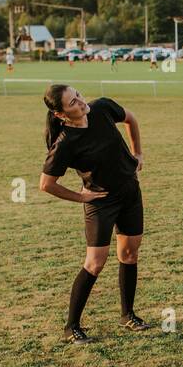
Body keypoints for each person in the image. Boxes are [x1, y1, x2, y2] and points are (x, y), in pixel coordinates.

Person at [39, 85, 149, 342]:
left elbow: (131, 118)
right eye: (72, 103)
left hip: (130, 193)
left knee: (130, 253)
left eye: (77, 95)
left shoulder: (102, 108)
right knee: (95, 263)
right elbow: (46, 184)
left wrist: (138, 153)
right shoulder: (65, 143)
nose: (80, 101)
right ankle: (72, 327)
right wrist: (81, 197)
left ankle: (128, 315)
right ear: (61, 115)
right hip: (101, 203)